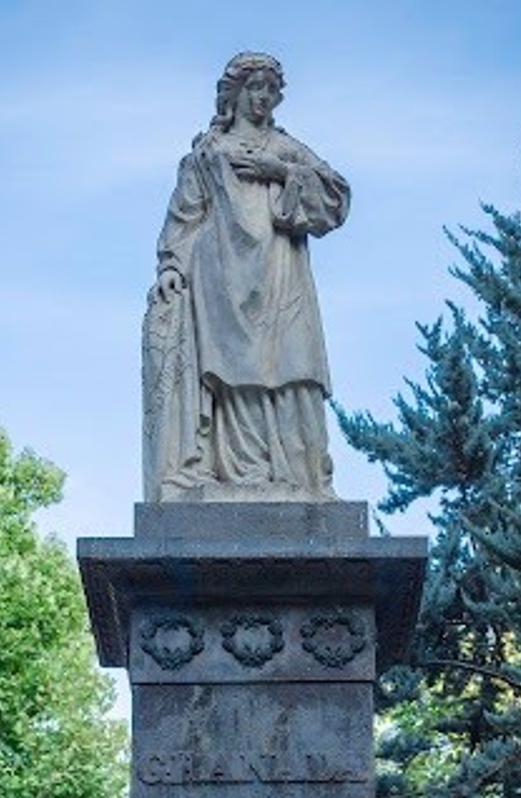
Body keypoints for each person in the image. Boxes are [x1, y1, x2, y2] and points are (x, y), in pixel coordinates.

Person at [142, 52, 350, 502]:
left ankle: (300, 477)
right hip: (221, 279)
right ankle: (240, 474)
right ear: (234, 94)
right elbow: (185, 217)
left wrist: (280, 173)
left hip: (282, 275)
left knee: (295, 367)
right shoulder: (206, 154)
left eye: (271, 90)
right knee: (234, 374)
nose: (263, 98)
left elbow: (335, 199)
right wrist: (171, 268)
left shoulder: (287, 150)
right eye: (254, 88)